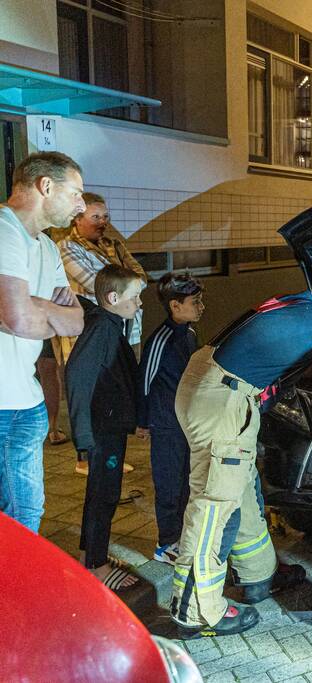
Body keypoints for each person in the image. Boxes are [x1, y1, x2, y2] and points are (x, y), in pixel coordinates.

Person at [170, 285, 312, 639]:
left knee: (241, 489)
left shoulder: (293, 302)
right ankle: (195, 611)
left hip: (209, 384)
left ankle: (259, 575)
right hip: (223, 401)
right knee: (215, 506)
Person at [0, 152, 85, 532]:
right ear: (46, 186)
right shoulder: (4, 230)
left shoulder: (47, 247)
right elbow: (17, 318)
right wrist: (47, 311)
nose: (81, 205)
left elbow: (77, 321)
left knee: (26, 519)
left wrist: (38, 308)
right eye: (76, 194)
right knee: (18, 524)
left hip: (28, 405)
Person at [65, 265, 145, 591]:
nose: (139, 303)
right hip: (102, 430)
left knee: (102, 492)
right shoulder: (102, 329)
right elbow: (76, 376)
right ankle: (95, 567)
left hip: (108, 425)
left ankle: (92, 556)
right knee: (103, 494)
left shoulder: (111, 325)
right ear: (113, 298)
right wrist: (83, 436)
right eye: (135, 297)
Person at [58, 193, 146, 475]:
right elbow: (96, 282)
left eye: (105, 216)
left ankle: (110, 454)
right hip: (89, 333)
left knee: (117, 392)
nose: (103, 222)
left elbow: (139, 277)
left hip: (127, 331)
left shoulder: (116, 245)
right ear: (78, 218)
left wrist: (124, 283)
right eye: (95, 217)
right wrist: (124, 281)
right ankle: (85, 457)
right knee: (91, 393)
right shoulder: (67, 247)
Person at [138, 273, 205, 565]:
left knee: (186, 482)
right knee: (168, 482)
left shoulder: (189, 334)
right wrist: (142, 421)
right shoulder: (161, 339)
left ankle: (181, 536)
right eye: (195, 302)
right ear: (175, 306)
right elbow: (144, 380)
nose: (201, 306)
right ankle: (165, 543)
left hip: (186, 422)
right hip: (165, 423)